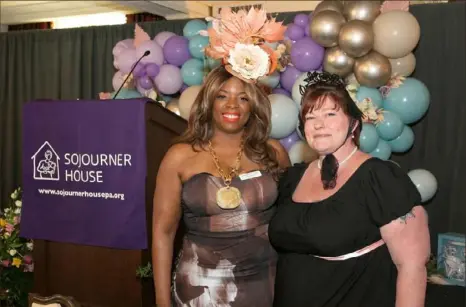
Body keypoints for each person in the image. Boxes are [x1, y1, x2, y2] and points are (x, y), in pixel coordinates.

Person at [152, 7, 290, 307]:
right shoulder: (179, 157)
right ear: (209, 102)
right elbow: (163, 234)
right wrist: (161, 303)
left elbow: (289, 225)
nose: (233, 105)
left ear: (254, 105)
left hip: (263, 287)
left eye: (243, 97)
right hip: (199, 291)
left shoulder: (274, 153)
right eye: (222, 95)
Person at [269, 71, 430, 307]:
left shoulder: (379, 178)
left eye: (331, 114)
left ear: (353, 123)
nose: (320, 124)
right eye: (311, 117)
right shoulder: (293, 177)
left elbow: (412, 267)